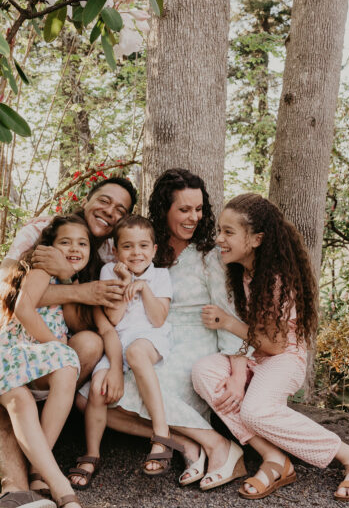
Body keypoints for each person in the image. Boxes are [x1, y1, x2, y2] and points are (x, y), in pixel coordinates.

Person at [191, 193, 349, 502]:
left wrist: (227, 322)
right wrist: (237, 374)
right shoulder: (240, 272)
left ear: (256, 239)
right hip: (252, 355)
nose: (219, 239)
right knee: (203, 371)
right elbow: (245, 340)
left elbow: (275, 346)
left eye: (228, 232)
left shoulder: (276, 279)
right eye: (219, 230)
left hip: (283, 357)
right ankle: (274, 458)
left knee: (256, 412)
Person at [74, 169, 248, 491]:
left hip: (195, 339)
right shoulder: (143, 246)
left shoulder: (208, 254)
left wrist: (238, 372)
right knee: (89, 398)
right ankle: (183, 441)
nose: (193, 217)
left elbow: (228, 312)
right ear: (165, 209)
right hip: (143, 337)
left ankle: (219, 447)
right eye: (184, 209)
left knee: (144, 388)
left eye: (198, 209)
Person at [0, 177, 137, 508]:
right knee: (14, 397)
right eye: (105, 201)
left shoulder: (111, 252)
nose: (110, 212)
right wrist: (76, 287)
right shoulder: (41, 231)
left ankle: (34, 466)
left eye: (120, 210)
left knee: (89, 345)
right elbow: (4, 294)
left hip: (55, 347)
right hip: (16, 341)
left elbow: (100, 320)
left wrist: (74, 278)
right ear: (87, 198)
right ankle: (16, 489)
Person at [0, 215, 98, 508]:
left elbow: (74, 321)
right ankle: (62, 491)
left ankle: (37, 471)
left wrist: (71, 279)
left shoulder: (66, 278)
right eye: (65, 242)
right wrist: (56, 345)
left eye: (82, 243)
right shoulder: (41, 270)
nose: (75, 248)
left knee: (65, 370)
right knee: (39, 382)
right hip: (2, 351)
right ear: (49, 247)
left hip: (27, 356)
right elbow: (22, 309)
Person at [69, 215, 173, 488]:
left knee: (137, 353)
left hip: (149, 338)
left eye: (143, 246)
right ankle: (92, 453)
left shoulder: (161, 276)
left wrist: (144, 289)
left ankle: (160, 436)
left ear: (154, 250)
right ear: (115, 250)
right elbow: (114, 319)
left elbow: (158, 319)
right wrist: (126, 280)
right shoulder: (109, 271)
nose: (136, 253)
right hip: (118, 339)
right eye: (127, 247)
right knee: (97, 388)